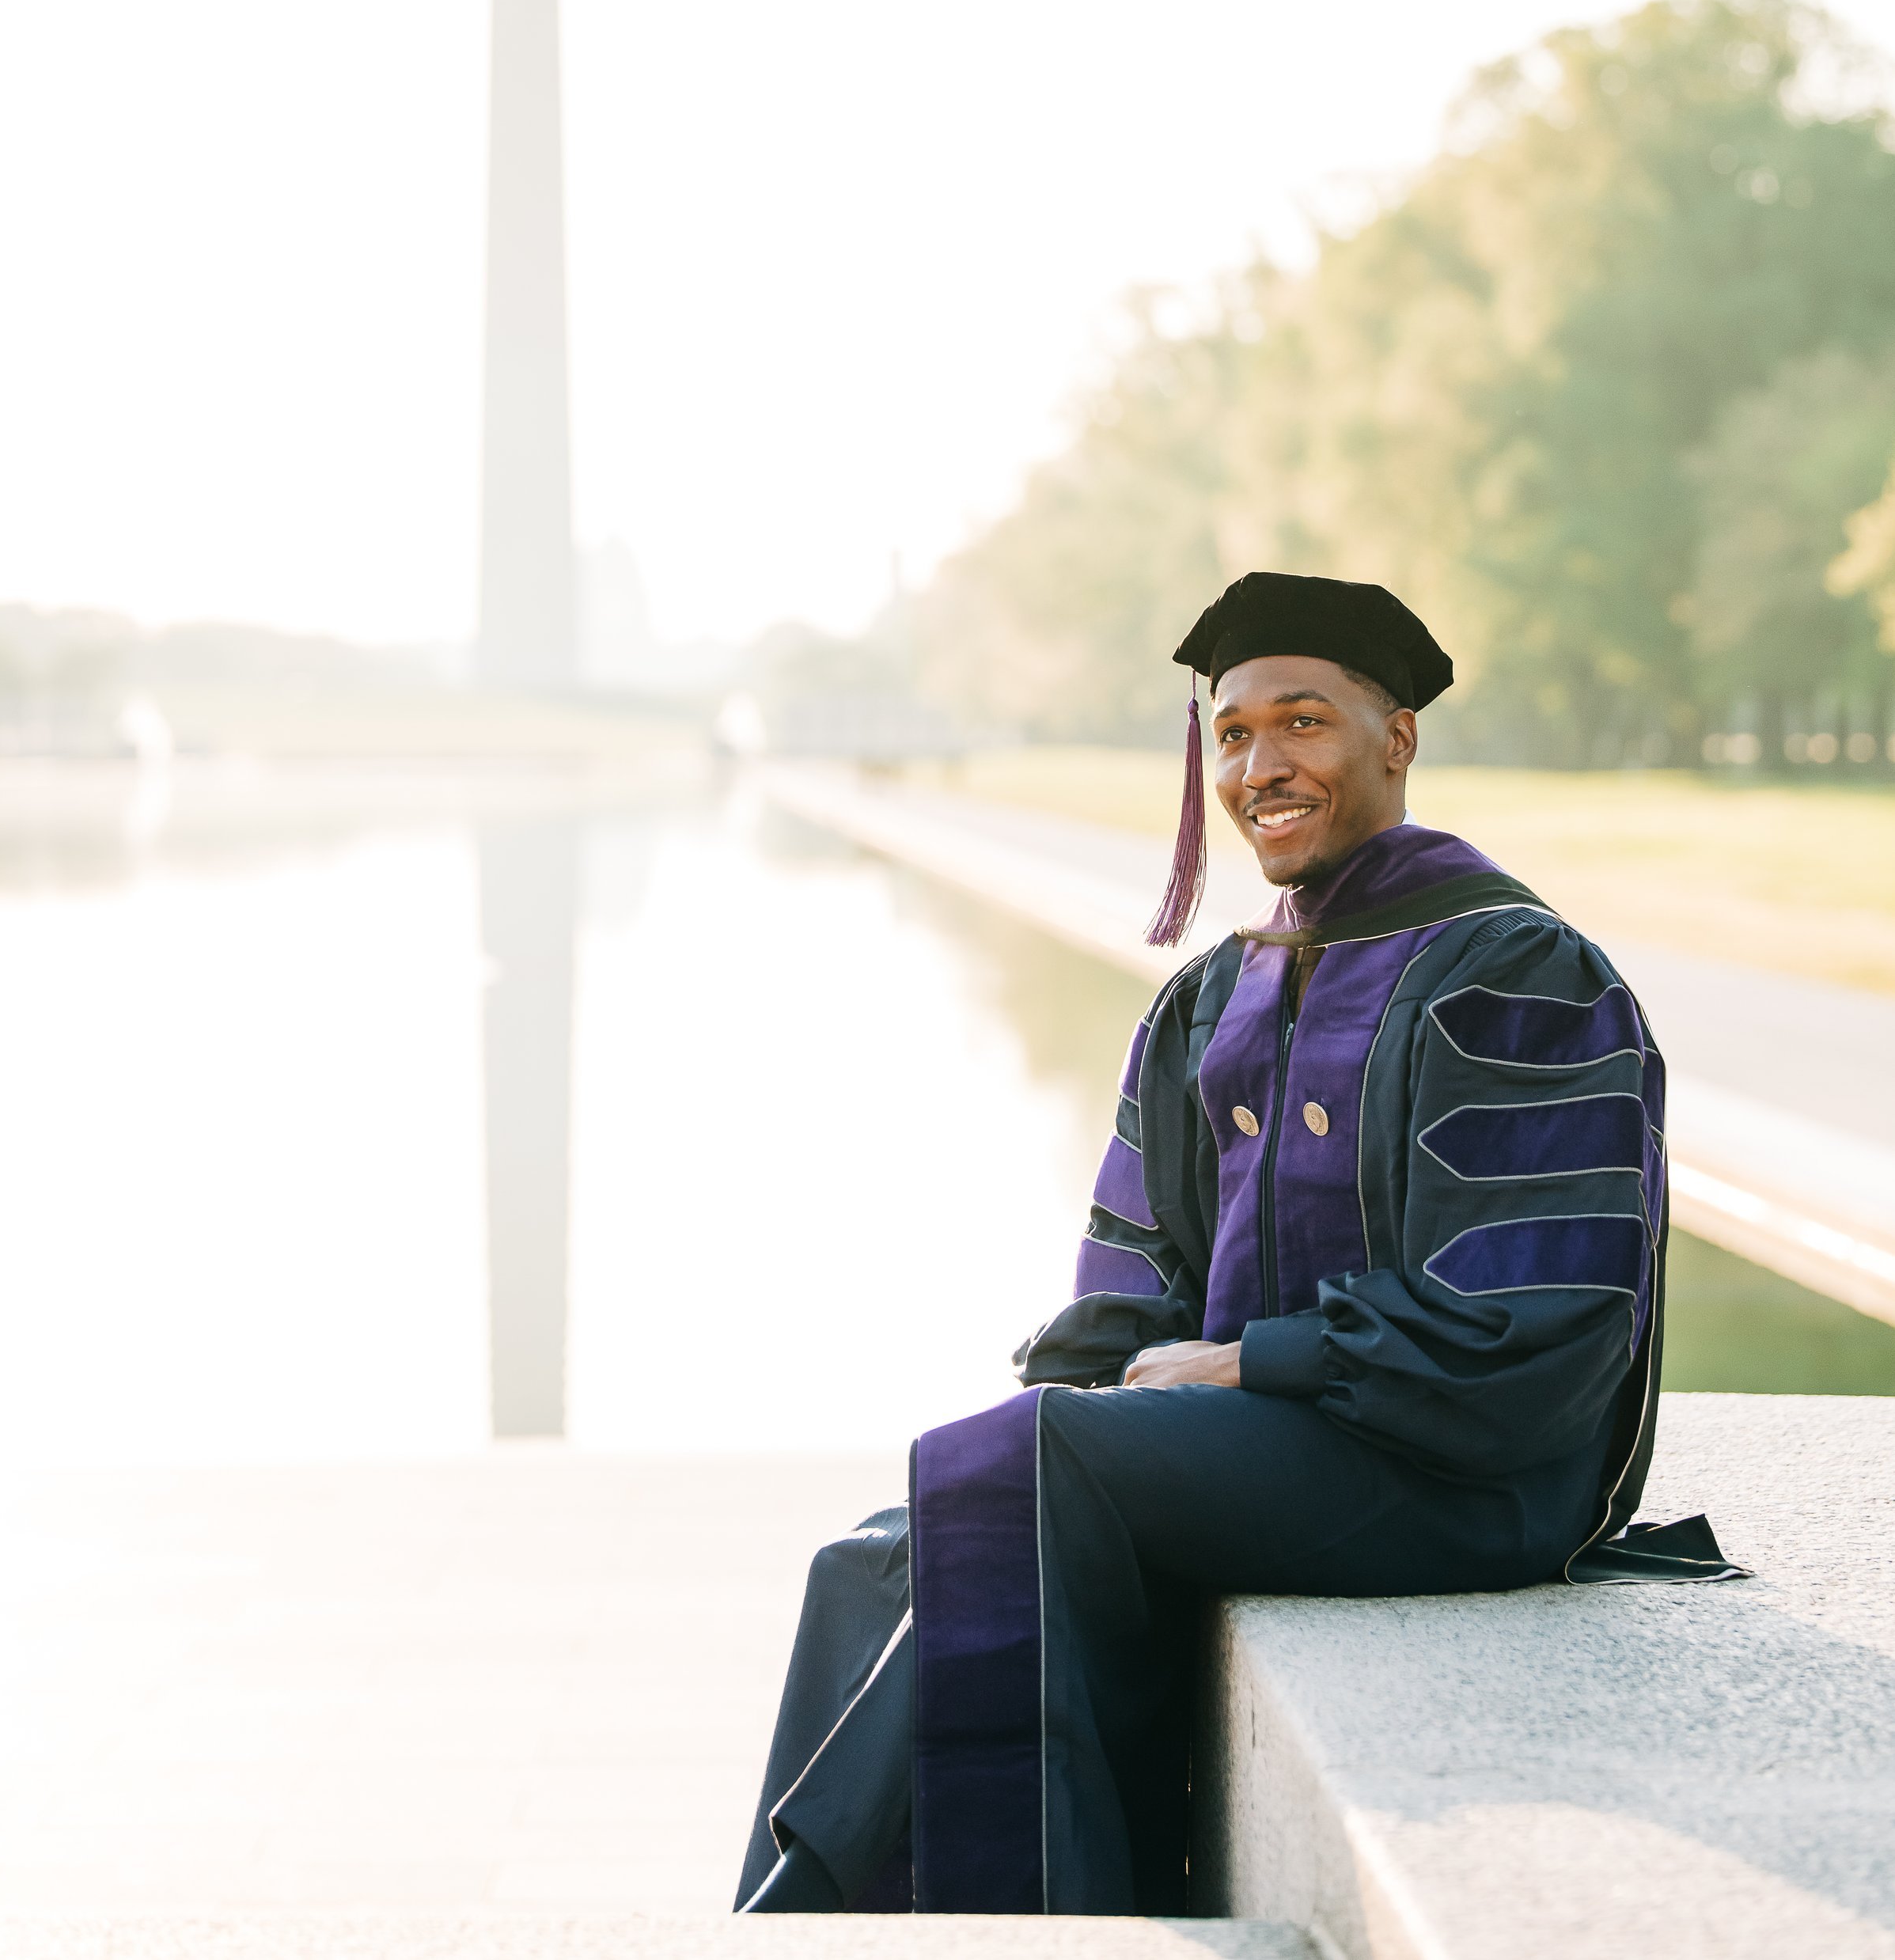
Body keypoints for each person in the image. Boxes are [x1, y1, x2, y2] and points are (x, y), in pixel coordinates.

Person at [735, 571, 1737, 1920]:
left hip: (1464, 1472)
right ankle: (848, 1926)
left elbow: (1531, 1337)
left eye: (1305, 722)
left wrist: (1240, 1367)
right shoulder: (1213, 996)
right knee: (888, 1541)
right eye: (1234, 733)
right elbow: (1129, 1284)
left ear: (1398, 740)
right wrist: (1091, 1389)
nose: (1262, 764)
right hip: (1284, 1452)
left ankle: (889, 1921)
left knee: (1031, 1462)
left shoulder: (1510, 973)